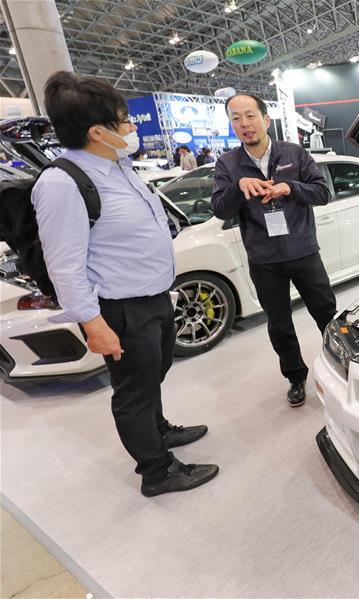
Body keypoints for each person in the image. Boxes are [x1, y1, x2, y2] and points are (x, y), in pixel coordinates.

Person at [32, 72, 218, 497]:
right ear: (97, 132)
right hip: (120, 309)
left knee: (154, 373)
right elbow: (64, 265)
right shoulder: (63, 184)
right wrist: (92, 323)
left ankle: (159, 429)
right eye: (124, 120)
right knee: (133, 391)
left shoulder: (119, 167)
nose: (132, 127)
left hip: (154, 299)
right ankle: (157, 471)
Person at [211, 93, 336, 407]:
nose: (244, 123)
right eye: (236, 118)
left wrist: (290, 188)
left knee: (326, 313)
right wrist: (237, 188)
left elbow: (323, 193)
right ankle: (295, 376)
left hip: (303, 251)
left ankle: (342, 365)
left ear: (266, 119)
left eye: (250, 115)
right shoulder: (228, 164)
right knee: (279, 325)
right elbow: (221, 210)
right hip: (264, 260)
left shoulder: (294, 153)